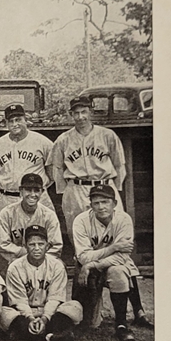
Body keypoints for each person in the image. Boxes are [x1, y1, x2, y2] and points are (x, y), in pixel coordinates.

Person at [71, 185, 152, 341]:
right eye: (96, 203)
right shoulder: (81, 221)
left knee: (119, 271)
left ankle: (121, 325)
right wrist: (113, 247)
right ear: (91, 205)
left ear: (114, 203)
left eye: (105, 202)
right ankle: (91, 313)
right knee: (90, 323)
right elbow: (83, 257)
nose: (101, 207)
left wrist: (94, 263)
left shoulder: (123, 219)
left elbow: (123, 256)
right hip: (87, 270)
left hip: (101, 266)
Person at [51, 96, 126, 237]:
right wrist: (65, 191)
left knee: (112, 229)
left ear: (90, 111)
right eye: (76, 113)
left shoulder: (107, 135)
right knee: (77, 231)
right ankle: (80, 258)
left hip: (104, 185)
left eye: (84, 112)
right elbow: (57, 168)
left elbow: (119, 164)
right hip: (76, 189)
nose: (80, 117)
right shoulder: (63, 139)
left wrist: (115, 188)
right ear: (71, 114)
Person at [0, 225, 83, 341]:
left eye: (41, 244)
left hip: (51, 313)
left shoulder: (57, 265)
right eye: (32, 244)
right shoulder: (15, 267)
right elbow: (19, 301)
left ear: (47, 246)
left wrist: (44, 319)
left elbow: (55, 298)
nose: (37, 248)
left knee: (75, 307)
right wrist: (30, 319)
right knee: (3, 313)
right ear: (25, 246)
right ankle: (52, 334)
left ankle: (26, 333)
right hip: (25, 313)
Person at [0, 104, 55, 233]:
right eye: (11, 121)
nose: (15, 124)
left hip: (35, 197)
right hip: (6, 198)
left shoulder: (43, 142)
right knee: (4, 238)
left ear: (26, 120)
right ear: (6, 124)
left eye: (18, 120)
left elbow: (52, 175)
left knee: (42, 238)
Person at [0, 173, 63, 266]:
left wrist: (38, 259)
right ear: (21, 191)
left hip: (43, 260)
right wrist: (26, 256)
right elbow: (3, 245)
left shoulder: (49, 215)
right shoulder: (7, 213)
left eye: (36, 190)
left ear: (42, 192)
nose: (32, 194)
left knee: (60, 265)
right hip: (14, 259)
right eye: (28, 190)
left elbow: (56, 246)